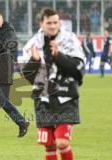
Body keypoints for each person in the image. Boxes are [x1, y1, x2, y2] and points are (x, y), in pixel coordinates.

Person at [22, 8, 85, 160]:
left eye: (55, 22)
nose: (52, 26)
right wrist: (35, 61)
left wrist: (58, 56)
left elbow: (78, 70)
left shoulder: (70, 40)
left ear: (59, 23)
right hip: (43, 98)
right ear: (41, 24)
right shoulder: (33, 44)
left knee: (62, 143)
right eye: (49, 23)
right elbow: (28, 76)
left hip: (66, 97)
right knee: (48, 143)